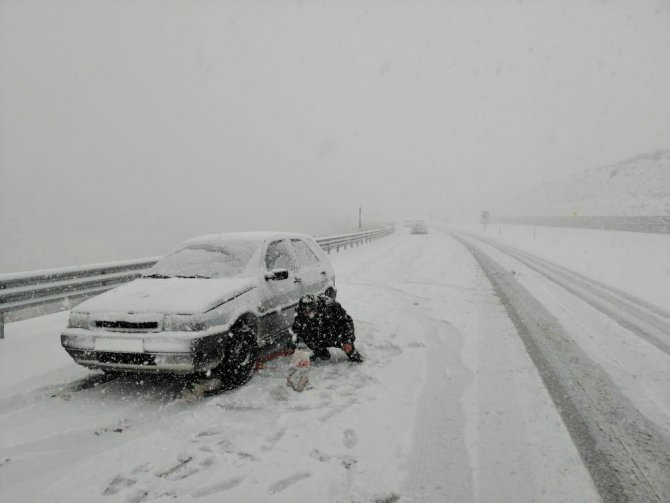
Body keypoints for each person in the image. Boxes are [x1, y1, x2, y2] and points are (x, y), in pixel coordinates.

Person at [291, 293, 364, 363]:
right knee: (306, 335)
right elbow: (297, 328)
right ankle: (322, 353)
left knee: (348, 348)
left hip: (334, 331)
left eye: (308, 312)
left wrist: (348, 340)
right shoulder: (300, 310)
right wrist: (291, 346)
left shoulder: (331, 306)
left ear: (315, 308)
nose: (305, 314)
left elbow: (347, 322)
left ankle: (353, 355)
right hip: (317, 332)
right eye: (304, 312)